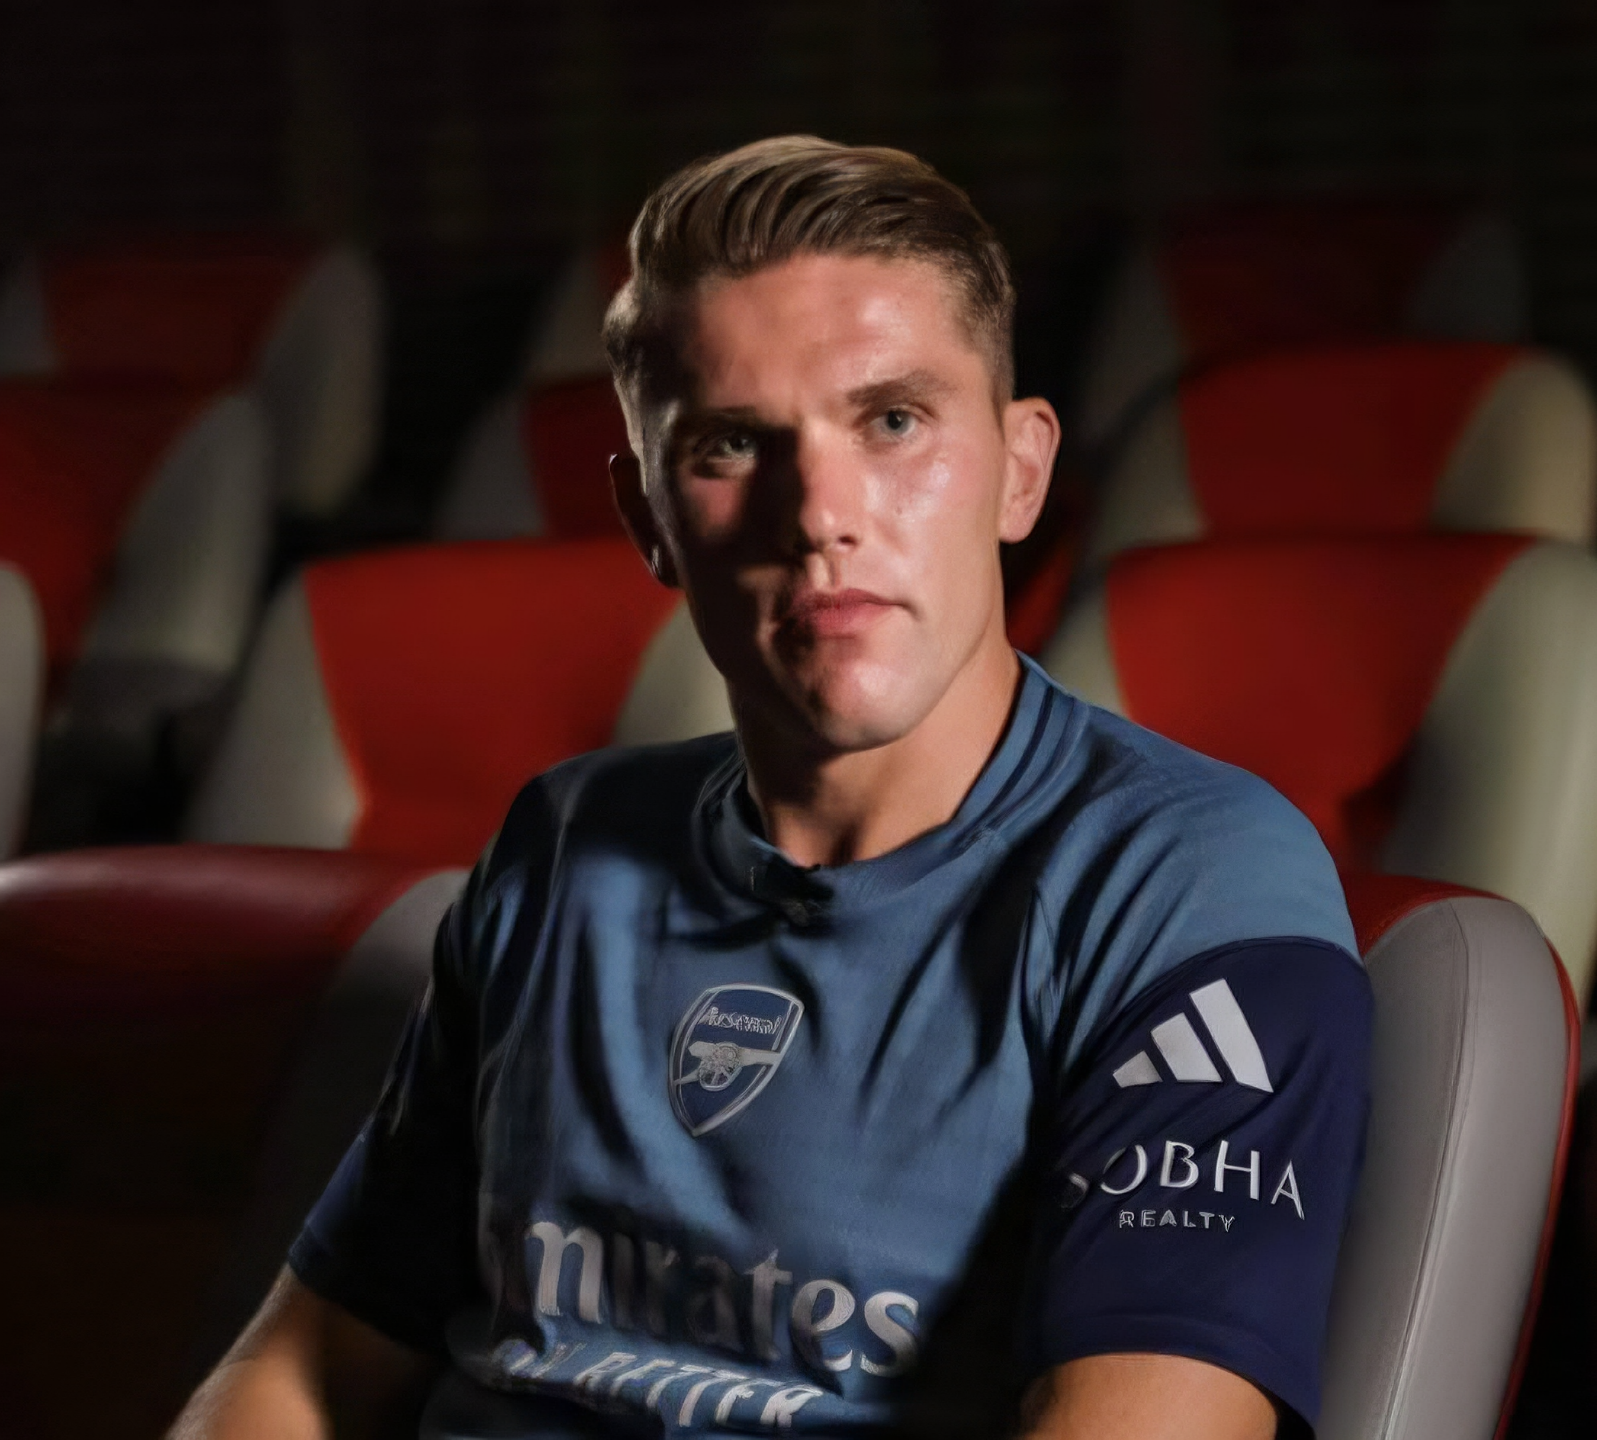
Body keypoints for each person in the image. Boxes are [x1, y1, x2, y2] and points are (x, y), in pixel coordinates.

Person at [170, 136, 1370, 1440]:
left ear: (1021, 470)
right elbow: (304, 1367)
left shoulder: (1190, 879)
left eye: (894, 421)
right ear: (648, 520)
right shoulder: (564, 844)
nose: (820, 514)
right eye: (734, 444)